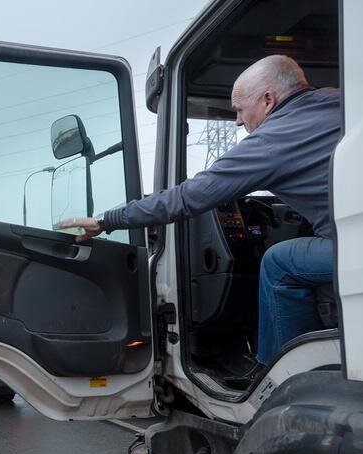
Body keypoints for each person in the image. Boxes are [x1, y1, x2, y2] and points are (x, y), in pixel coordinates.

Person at [58, 55, 341, 371]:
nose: (237, 121)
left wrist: (108, 220)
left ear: (268, 100)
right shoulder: (339, 100)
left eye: (238, 110)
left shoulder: (272, 140)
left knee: (279, 262)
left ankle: (283, 375)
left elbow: (190, 197)